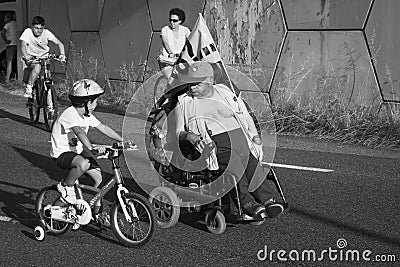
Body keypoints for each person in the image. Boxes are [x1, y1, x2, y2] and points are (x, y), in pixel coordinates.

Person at [172, 61, 284, 219]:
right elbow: (177, 132)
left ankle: (268, 200)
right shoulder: (184, 101)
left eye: (196, 84)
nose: (192, 88)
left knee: (251, 163)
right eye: (190, 84)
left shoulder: (225, 92)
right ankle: (247, 204)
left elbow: (244, 115)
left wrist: (255, 136)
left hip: (240, 137)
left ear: (210, 80)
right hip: (214, 144)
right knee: (235, 165)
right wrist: (191, 136)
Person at [50, 79, 127, 225]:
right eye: (95, 101)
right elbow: (79, 132)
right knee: (83, 164)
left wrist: (123, 140)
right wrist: (91, 148)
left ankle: (96, 213)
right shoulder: (70, 114)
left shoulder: (87, 116)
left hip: (77, 153)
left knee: (99, 178)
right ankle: (65, 186)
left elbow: (103, 127)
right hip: (62, 154)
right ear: (85, 102)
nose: (96, 104)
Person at [20, 16, 66, 97]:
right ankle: (29, 87)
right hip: (32, 58)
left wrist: (62, 54)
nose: (38, 31)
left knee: (48, 77)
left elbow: (59, 43)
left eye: (41, 28)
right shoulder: (27, 32)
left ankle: (49, 99)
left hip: (44, 58)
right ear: (32, 27)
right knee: (37, 67)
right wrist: (26, 55)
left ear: (43, 27)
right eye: (36, 28)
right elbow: (23, 46)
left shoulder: (46, 32)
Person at [158, 8, 191, 83]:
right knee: (171, 81)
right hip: (167, 60)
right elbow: (165, 42)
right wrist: (171, 53)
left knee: (183, 81)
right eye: (170, 20)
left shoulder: (185, 30)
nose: (172, 22)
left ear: (180, 21)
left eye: (175, 20)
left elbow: (191, 42)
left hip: (180, 60)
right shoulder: (165, 29)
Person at [1, 12, 17, 83]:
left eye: (5, 18)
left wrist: (6, 40)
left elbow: (2, 32)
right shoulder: (17, 24)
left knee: (9, 62)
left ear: (8, 18)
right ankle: (16, 77)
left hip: (11, 45)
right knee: (17, 61)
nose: (4, 20)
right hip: (18, 44)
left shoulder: (8, 25)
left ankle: (7, 79)